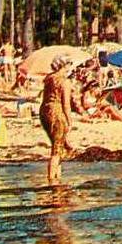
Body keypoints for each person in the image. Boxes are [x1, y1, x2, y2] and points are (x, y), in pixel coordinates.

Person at [40, 55, 74, 185]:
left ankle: (57, 178)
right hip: (57, 113)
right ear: (64, 66)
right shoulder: (64, 82)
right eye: (69, 65)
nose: (70, 68)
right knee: (56, 150)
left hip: (45, 111)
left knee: (58, 147)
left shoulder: (49, 79)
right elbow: (66, 104)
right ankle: (52, 182)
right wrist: (70, 121)